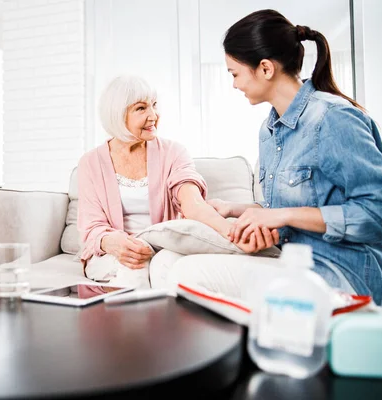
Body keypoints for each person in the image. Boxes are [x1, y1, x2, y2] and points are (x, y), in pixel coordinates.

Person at [199, 9, 382, 305]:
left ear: (266, 68)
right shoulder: (270, 131)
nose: (234, 85)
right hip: (293, 264)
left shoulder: (334, 119)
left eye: (235, 73)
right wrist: (236, 210)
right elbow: (290, 207)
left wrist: (280, 216)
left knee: (188, 272)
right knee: (172, 262)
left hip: (341, 276)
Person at [77, 75, 279, 289]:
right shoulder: (91, 163)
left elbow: (192, 204)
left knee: (166, 266)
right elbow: (92, 226)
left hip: (163, 246)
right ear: (117, 115)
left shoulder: (173, 152)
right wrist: (112, 242)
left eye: (154, 105)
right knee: (134, 269)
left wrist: (233, 235)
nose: (153, 115)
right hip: (112, 251)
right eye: (141, 108)